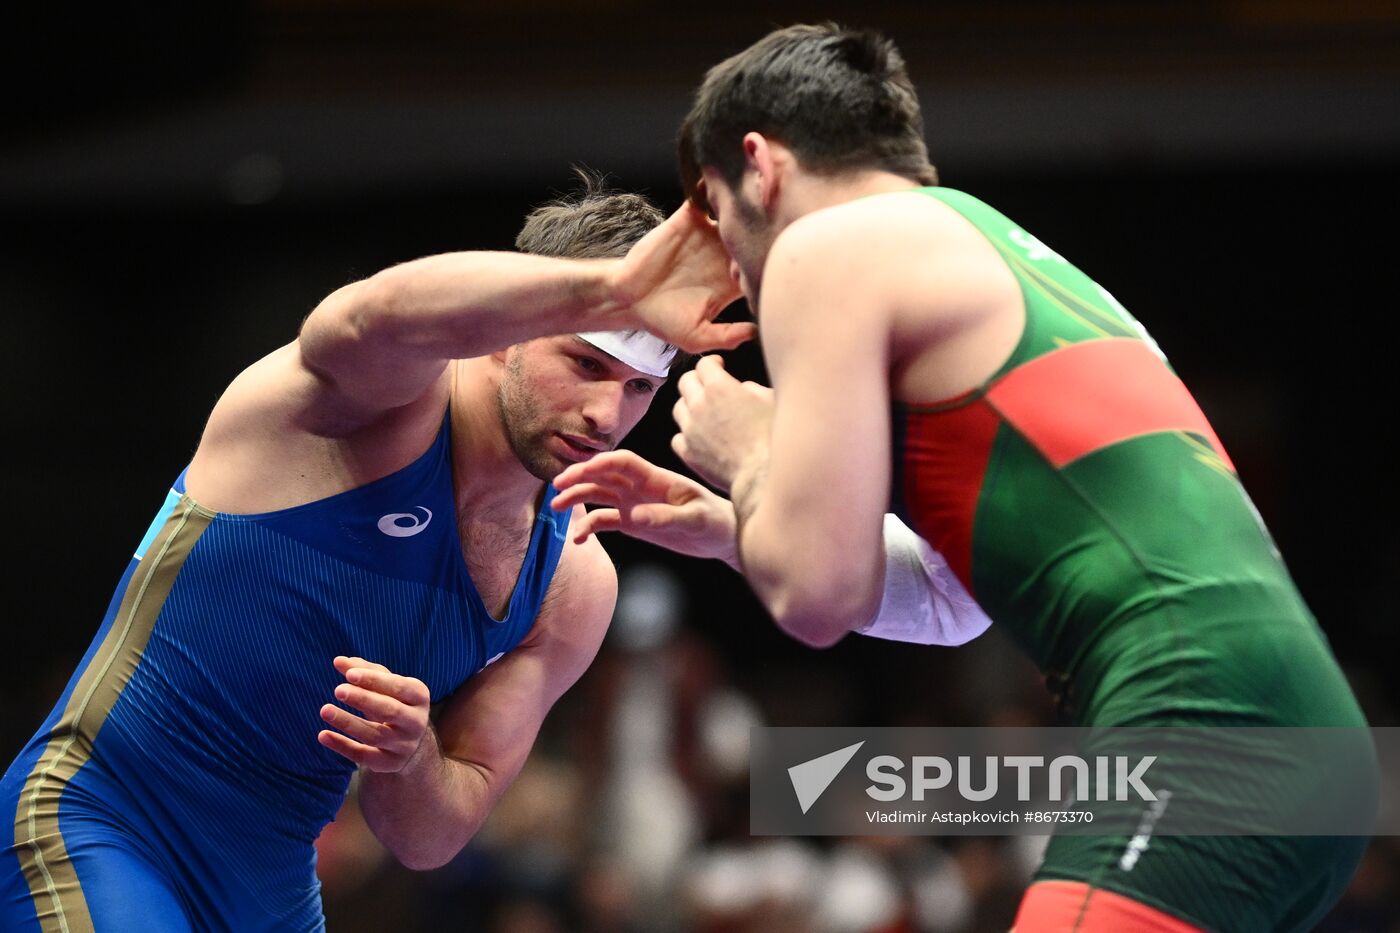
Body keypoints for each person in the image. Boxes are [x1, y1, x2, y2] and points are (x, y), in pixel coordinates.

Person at [551, 24, 1376, 933]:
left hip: (1204, 732)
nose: (732, 275)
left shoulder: (828, 249)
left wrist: (751, 453)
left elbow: (816, 597)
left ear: (761, 165)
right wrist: (723, 522)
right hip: (1307, 749)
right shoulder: (993, 253)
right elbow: (951, 605)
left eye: (715, 215)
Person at [0, 177, 747, 931]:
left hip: (271, 885)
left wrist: (412, 754)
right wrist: (612, 285)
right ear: (504, 333)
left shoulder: (573, 579)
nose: (606, 413)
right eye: (586, 364)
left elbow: (431, 838)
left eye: (639, 388)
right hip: (102, 818)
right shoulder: (373, 408)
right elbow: (365, 314)